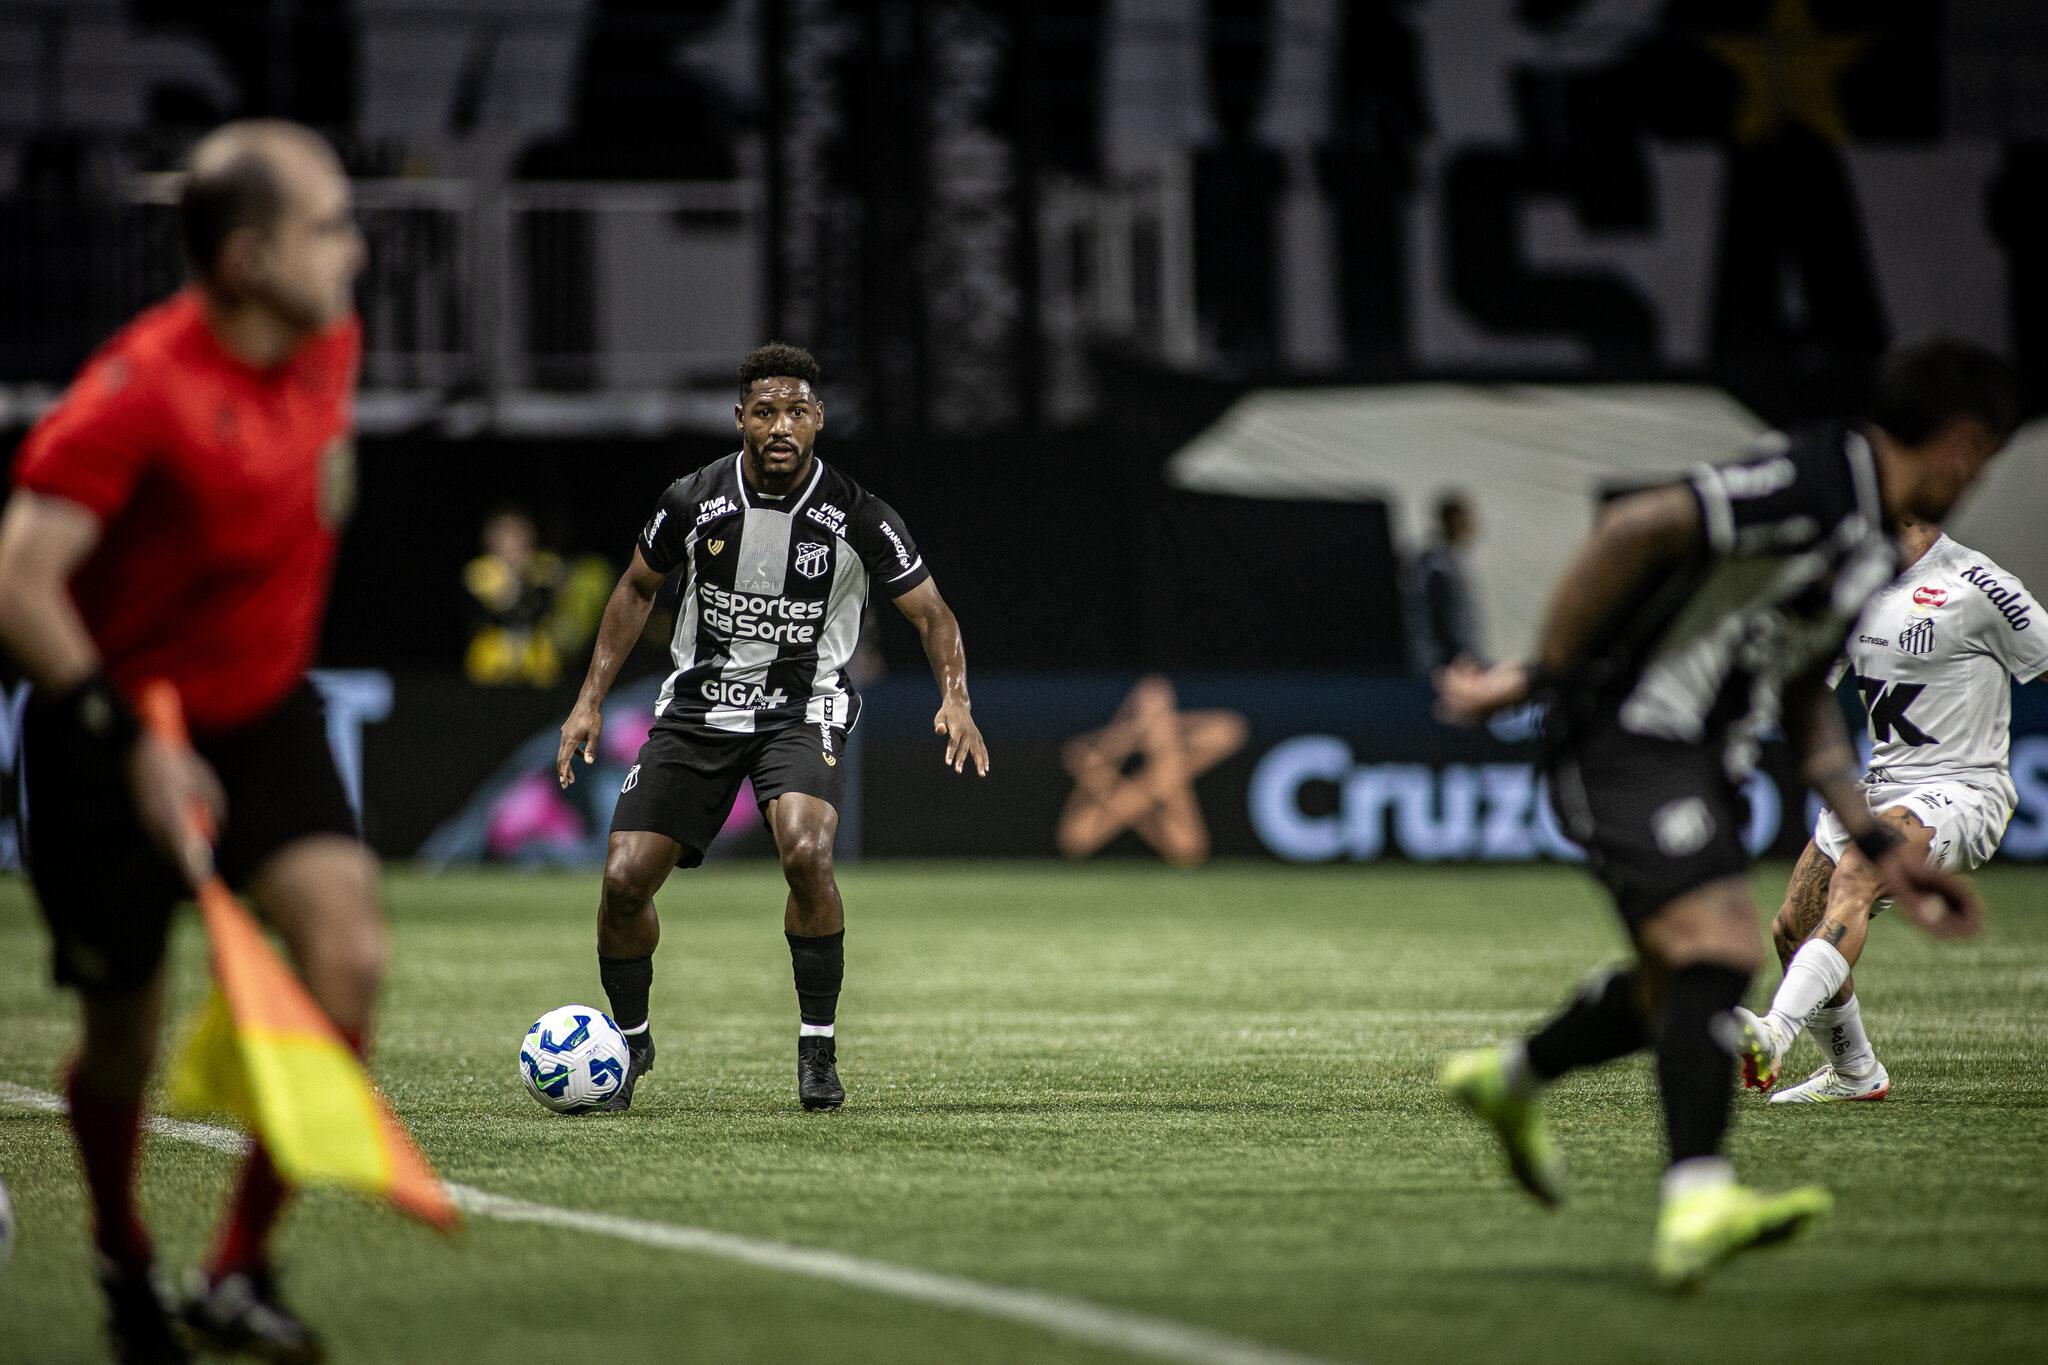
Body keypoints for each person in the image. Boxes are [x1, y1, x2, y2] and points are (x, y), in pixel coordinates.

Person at [1431, 339, 2018, 1289]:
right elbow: (1634, 527)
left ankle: (1514, 1075)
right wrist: (1537, 678)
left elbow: (1799, 698)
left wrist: (1872, 836)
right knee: (1720, 945)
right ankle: (1696, 1202)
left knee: (1680, 978)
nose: (1974, 483)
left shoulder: (1871, 542)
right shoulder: (1820, 477)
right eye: (1983, 462)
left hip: (1700, 758)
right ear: (1959, 442)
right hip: (1622, 737)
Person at [0, 120, 378, 1363]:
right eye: (327, 225)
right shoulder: (137, 391)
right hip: (108, 731)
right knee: (124, 1034)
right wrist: (132, 744)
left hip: (262, 712)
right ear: (242, 254)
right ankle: (121, 1257)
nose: (354, 249)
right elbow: (20, 584)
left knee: (348, 959)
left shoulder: (330, 343)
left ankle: (237, 1271)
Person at [557, 342, 989, 1113]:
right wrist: (589, 698)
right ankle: (628, 1039)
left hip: (802, 707)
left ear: (818, 420)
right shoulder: (691, 499)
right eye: (765, 411)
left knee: (807, 849)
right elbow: (633, 589)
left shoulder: (857, 514)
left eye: (796, 410)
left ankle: (817, 1050)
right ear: (741, 420)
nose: (780, 425)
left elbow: (933, 612)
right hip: (697, 710)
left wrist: (955, 696)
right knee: (623, 879)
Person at [1735, 521, 2046, 1102]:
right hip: (1882, 786)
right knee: (1792, 928)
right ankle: (1856, 1074)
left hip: (1963, 788)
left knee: (1857, 870)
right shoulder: (1853, 581)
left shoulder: (1978, 585)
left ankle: (1775, 1032)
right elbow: (1798, 681)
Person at [1405, 491, 1485, 672]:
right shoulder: (1440, 566)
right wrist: (1466, 657)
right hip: (1444, 666)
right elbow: (1451, 620)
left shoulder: (1448, 561)